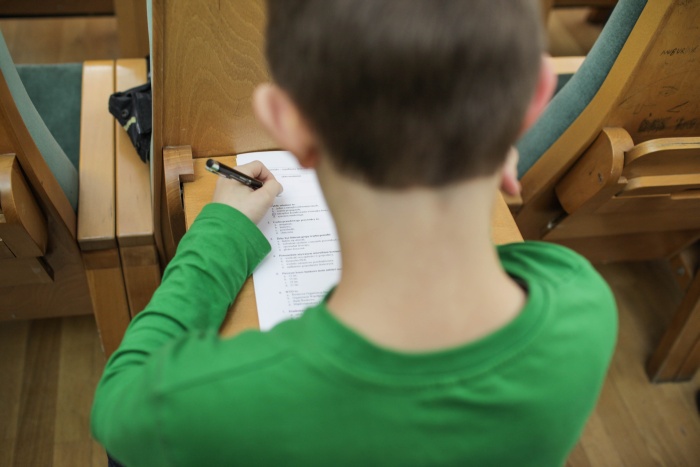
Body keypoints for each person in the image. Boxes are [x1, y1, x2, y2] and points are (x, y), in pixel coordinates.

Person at [91, 1, 617, 465]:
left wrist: (220, 233)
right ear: (537, 95)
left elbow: (119, 405)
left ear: (286, 122)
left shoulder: (210, 403)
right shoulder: (585, 306)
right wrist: (477, 152)